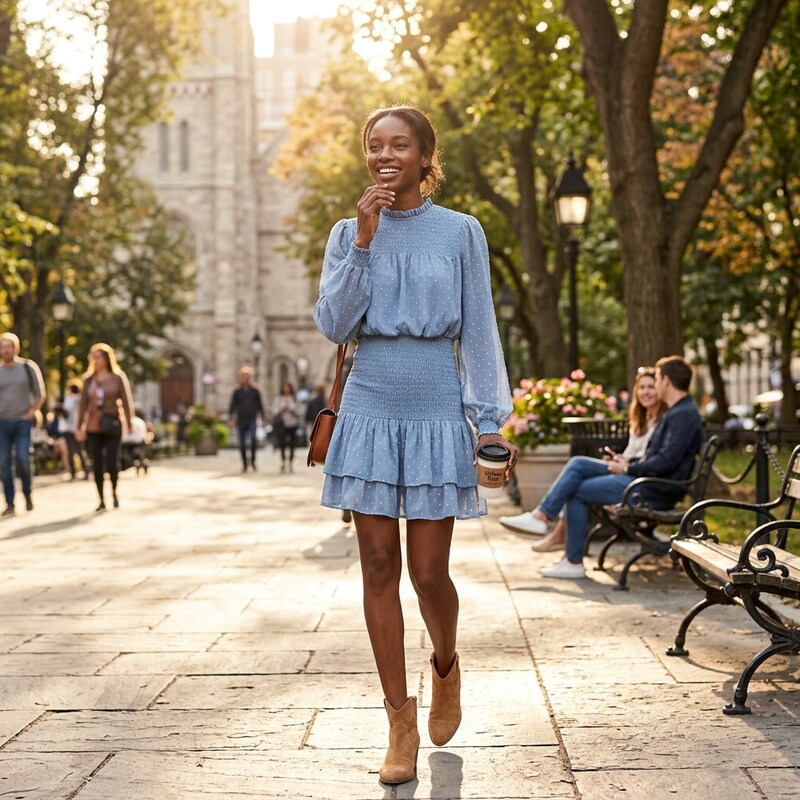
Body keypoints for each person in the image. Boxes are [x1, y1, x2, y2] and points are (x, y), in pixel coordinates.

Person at [313, 104, 516, 786]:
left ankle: (446, 666)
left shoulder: (462, 232)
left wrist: (490, 420)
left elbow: (480, 330)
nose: (385, 155)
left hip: (433, 404)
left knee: (429, 573)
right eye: (375, 145)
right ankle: (398, 719)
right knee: (376, 566)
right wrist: (365, 243)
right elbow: (333, 323)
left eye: (399, 144)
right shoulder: (348, 232)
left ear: (427, 155)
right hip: (368, 402)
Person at [536, 355, 705, 579]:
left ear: (666, 381)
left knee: (576, 489)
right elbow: (658, 458)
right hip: (648, 484)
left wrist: (626, 469)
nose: (654, 384)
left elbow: (665, 462)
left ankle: (570, 556)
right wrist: (628, 464)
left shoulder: (682, 415)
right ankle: (549, 527)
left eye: (656, 379)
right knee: (578, 467)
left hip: (654, 491)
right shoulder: (679, 412)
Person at [499, 366, 667, 551]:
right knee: (578, 466)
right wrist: (620, 458)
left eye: (651, 387)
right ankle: (548, 525)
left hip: (636, 478)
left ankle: (546, 521)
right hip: (627, 469)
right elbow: (634, 453)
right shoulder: (641, 419)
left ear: (660, 388)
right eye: (642, 387)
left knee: (577, 472)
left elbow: (653, 458)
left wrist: (626, 464)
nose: (646, 392)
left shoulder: (664, 421)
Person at [76, 343, 134, 511]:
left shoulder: (117, 377)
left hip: (112, 424)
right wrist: (79, 427)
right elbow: (83, 406)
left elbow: (126, 401)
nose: (96, 361)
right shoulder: (88, 380)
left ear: (107, 359)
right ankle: (101, 499)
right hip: (94, 427)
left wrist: (129, 423)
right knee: (97, 464)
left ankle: (114, 492)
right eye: (93, 357)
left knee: (112, 462)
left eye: (99, 357)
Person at [0, 332, 45, 516]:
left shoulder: (28, 367)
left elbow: (40, 393)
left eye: (8, 346)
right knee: (3, 463)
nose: (5, 350)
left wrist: (31, 411)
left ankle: (27, 493)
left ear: (16, 348)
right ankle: (9, 503)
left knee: (22, 458)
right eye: (2, 347)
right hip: (2, 421)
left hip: (22, 421)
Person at [228, 367, 265, 472]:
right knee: (242, 443)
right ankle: (244, 463)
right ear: (240, 378)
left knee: (253, 440)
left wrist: (262, 417)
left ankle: (252, 461)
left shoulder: (255, 390)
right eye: (243, 376)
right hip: (241, 419)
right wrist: (231, 418)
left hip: (252, 418)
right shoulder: (237, 391)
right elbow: (233, 405)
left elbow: (260, 405)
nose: (245, 378)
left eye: (247, 376)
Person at [59, 383, 89, 480]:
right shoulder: (81, 400)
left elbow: (65, 411)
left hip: (69, 428)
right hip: (79, 427)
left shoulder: (70, 400)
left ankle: (72, 472)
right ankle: (86, 471)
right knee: (80, 450)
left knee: (71, 451)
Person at [271, 381, 300, 472]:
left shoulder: (294, 398)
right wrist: (282, 409)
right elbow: (274, 411)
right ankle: (283, 461)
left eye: (288, 387)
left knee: (292, 444)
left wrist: (291, 409)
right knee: (282, 443)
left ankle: (291, 462)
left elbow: (299, 411)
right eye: (284, 387)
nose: (286, 389)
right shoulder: (278, 399)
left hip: (292, 424)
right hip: (282, 424)